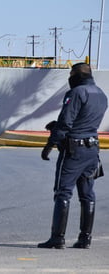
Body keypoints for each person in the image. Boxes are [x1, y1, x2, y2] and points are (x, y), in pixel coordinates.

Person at [38, 62, 107, 249]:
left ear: (76, 75)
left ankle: (57, 238)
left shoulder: (77, 93)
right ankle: (85, 238)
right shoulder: (101, 94)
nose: (69, 78)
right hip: (92, 150)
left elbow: (66, 123)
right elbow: (85, 121)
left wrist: (49, 144)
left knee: (63, 192)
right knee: (87, 194)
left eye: (71, 74)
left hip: (73, 151)